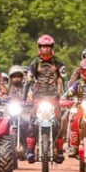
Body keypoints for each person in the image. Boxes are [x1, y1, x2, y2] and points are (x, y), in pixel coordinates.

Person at [23, 35, 67, 163]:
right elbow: (29, 80)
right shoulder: (35, 63)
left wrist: (65, 95)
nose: (46, 49)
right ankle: (30, 151)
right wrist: (24, 98)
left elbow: (64, 79)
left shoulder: (58, 62)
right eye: (43, 47)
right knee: (32, 122)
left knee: (58, 122)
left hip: (54, 97)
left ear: (52, 48)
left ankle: (59, 151)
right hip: (38, 98)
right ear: (39, 48)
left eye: (48, 47)